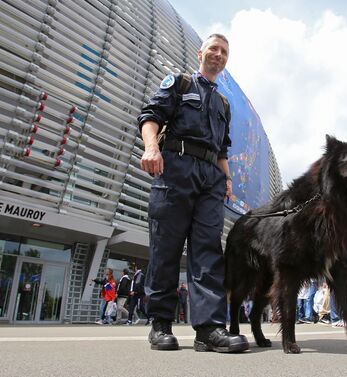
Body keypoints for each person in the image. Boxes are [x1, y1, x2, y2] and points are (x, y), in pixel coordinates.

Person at [137, 33, 248, 353]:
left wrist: (226, 180)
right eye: (214, 48)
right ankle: (160, 324)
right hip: (175, 169)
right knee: (165, 247)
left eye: (224, 51)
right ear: (201, 53)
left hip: (211, 178)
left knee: (209, 252)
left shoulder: (224, 103)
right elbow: (150, 117)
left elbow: (223, 148)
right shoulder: (180, 84)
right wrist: (152, 147)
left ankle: (209, 330)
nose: (218, 54)